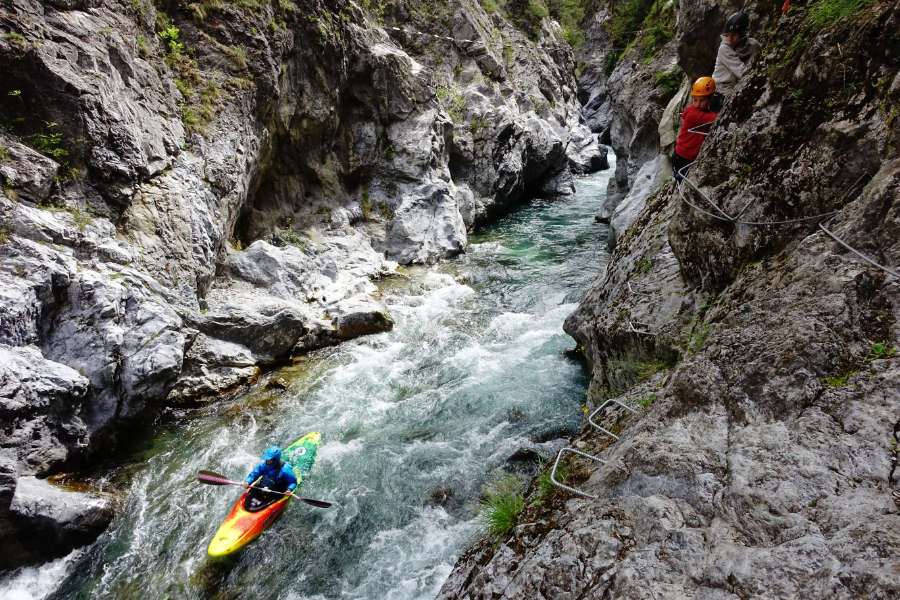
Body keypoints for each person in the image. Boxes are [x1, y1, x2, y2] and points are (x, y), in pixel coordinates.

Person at [672, 77, 718, 182]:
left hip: (682, 155)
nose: (697, 104)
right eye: (695, 100)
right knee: (684, 181)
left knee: (683, 179)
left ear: (710, 98)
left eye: (702, 100)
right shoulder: (695, 114)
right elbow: (718, 118)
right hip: (684, 157)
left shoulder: (695, 111)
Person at [712, 11, 761, 98]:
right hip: (722, 90)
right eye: (728, 34)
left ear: (742, 33)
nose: (730, 38)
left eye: (734, 35)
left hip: (736, 85)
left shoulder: (752, 45)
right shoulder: (724, 48)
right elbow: (741, 72)